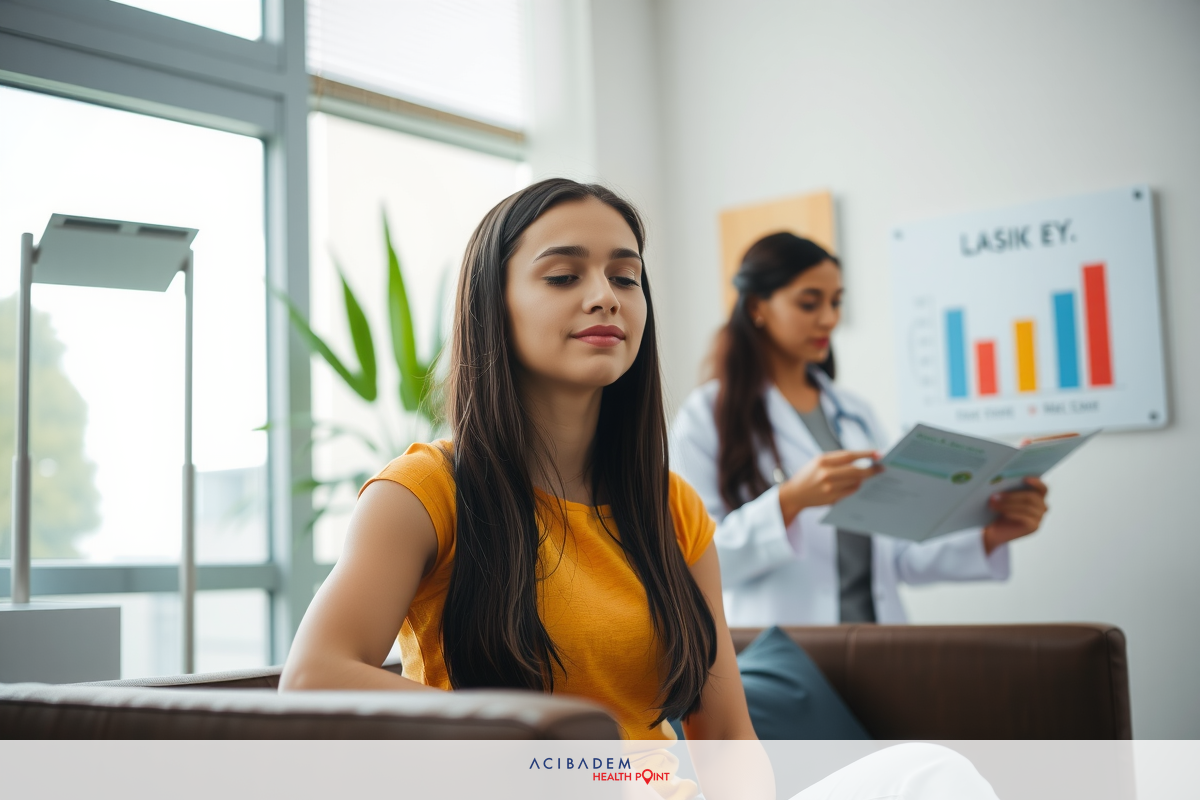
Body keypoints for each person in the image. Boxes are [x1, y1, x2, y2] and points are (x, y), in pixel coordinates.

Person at [280, 181, 998, 799]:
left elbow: (724, 736)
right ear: (492, 305)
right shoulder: (424, 491)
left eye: (625, 278)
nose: (604, 297)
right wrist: (547, 743)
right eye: (564, 276)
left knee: (929, 772)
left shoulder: (673, 510)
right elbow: (313, 678)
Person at [669, 233, 1049, 627]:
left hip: (876, 642)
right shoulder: (706, 416)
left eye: (836, 302)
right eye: (809, 302)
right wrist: (789, 501)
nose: (829, 318)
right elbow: (694, 562)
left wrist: (993, 534)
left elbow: (898, 554)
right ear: (756, 307)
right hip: (780, 646)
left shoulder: (855, 413)